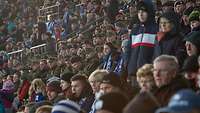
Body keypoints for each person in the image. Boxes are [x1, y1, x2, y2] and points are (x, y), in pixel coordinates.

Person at [127, 0, 157, 82]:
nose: (141, 14)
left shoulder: (156, 30)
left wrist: (151, 68)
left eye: (144, 11)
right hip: (133, 74)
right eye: (139, 11)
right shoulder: (135, 30)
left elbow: (156, 52)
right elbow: (128, 50)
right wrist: (127, 66)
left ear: (150, 12)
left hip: (148, 74)